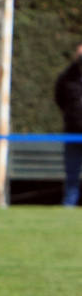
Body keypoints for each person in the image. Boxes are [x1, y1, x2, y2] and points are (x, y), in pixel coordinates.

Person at [54, 43, 82, 207]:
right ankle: (69, 206)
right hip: (72, 132)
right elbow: (60, 100)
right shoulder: (66, 78)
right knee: (72, 173)